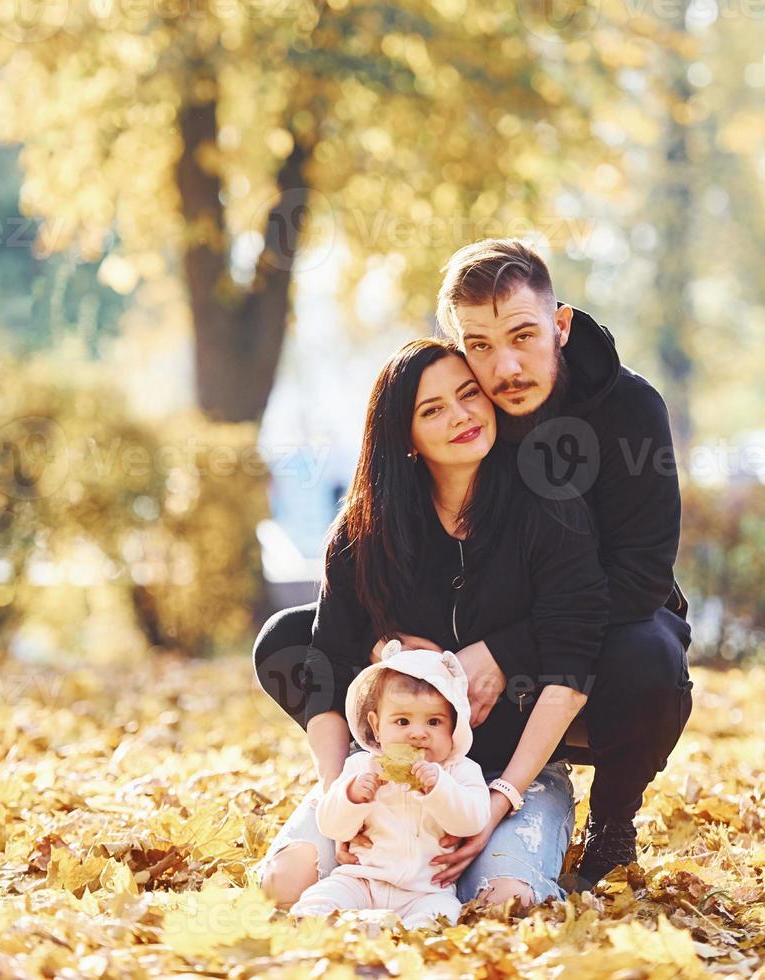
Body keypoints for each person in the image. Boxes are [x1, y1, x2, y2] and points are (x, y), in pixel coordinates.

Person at [256, 239, 695, 894]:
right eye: (480, 348)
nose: (505, 368)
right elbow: (427, 550)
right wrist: (399, 652)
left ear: (561, 324)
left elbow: (641, 577)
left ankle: (610, 823)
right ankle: (387, 771)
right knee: (293, 637)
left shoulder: (629, 411)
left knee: (648, 656)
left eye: (523, 336)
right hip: (467, 623)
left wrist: (503, 651)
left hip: (594, 636)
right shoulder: (470, 412)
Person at [255, 339, 611, 914]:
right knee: (285, 886)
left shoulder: (546, 506)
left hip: (507, 773)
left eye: (469, 395)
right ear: (405, 436)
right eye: (432, 409)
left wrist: (497, 803)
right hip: (388, 779)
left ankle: (491, 870)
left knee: (502, 905)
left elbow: (573, 660)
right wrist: (338, 795)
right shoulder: (363, 531)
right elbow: (327, 661)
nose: (461, 415)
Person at [290, 642, 492, 929]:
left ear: (454, 727)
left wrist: (439, 789)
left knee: (441, 916)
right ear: (375, 726)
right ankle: (317, 928)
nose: (418, 734)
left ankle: (405, 937)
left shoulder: (460, 772)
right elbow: (331, 826)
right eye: (402, 721)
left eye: (434, 722)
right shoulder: (361, 768)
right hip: (361, 879)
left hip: (426, 890)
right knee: (322, 898)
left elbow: (472, 822)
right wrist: (351, 797)